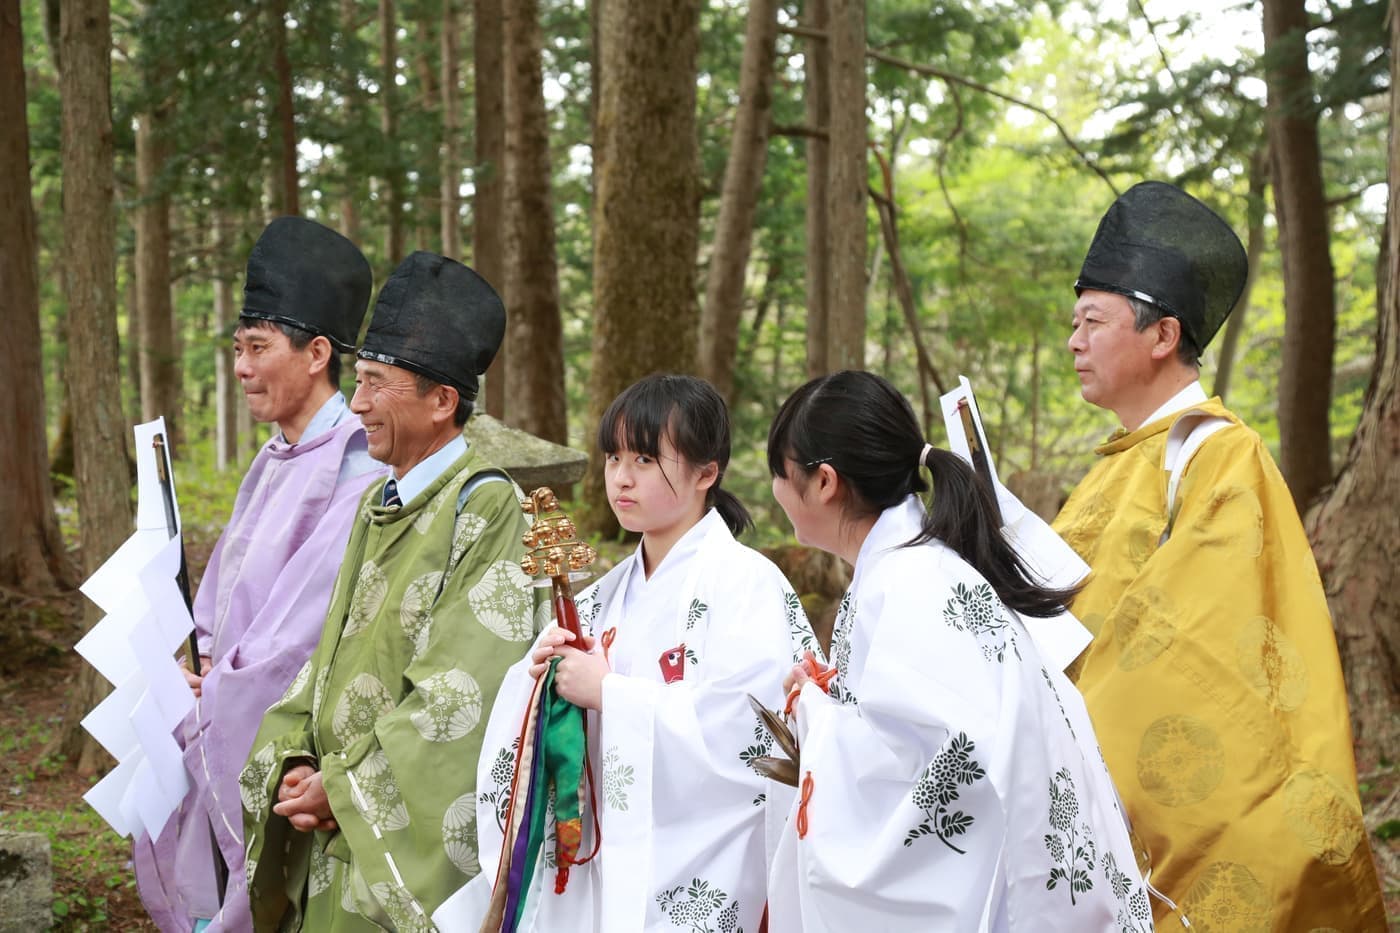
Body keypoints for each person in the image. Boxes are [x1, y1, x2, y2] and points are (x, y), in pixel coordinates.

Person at [1052, 181, 1384, 928]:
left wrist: (1061, 709)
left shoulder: (1219, 454)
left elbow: (1197, 641)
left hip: (1196, 807)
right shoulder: (1113, 464)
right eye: (1073, 322)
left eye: (1092, 321)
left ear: (1162, 335)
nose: (1072, 340)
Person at [764, 370, 1152, 932]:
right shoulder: (918, 565)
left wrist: (813, 711)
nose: (777, 491)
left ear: (824, 482)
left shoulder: (905, 586)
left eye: (781, 473)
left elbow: (953, 763)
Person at [434, 374, 821, 932]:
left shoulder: (747, 584)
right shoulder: (602, 596)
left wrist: (610, 693)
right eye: (614, 457)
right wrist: (542, 675)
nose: (620, 478)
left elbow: (749, 732)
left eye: (644, 459)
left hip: (702, 865)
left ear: (706, 472)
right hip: (605, 855)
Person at [241, 252, 543, 932]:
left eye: (378, 383)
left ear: (442, 400)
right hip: (332, 825)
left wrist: (342, 790)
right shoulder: (379, 499)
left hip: (386, 843)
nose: (357, 403)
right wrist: (295, 760)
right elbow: (324, 664)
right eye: (358, 380)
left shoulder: (490, 509)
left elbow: (461, 695)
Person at [133, 216, 384, 933]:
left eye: (257, 348)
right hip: (221, 697)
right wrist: (199, 661)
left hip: (294, 742)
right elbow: (223, 594)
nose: (241, 368)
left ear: (317, 353)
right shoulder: (275, 455)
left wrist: (221, 688)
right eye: (238, 348)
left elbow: (301, 629)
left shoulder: (355, 465)